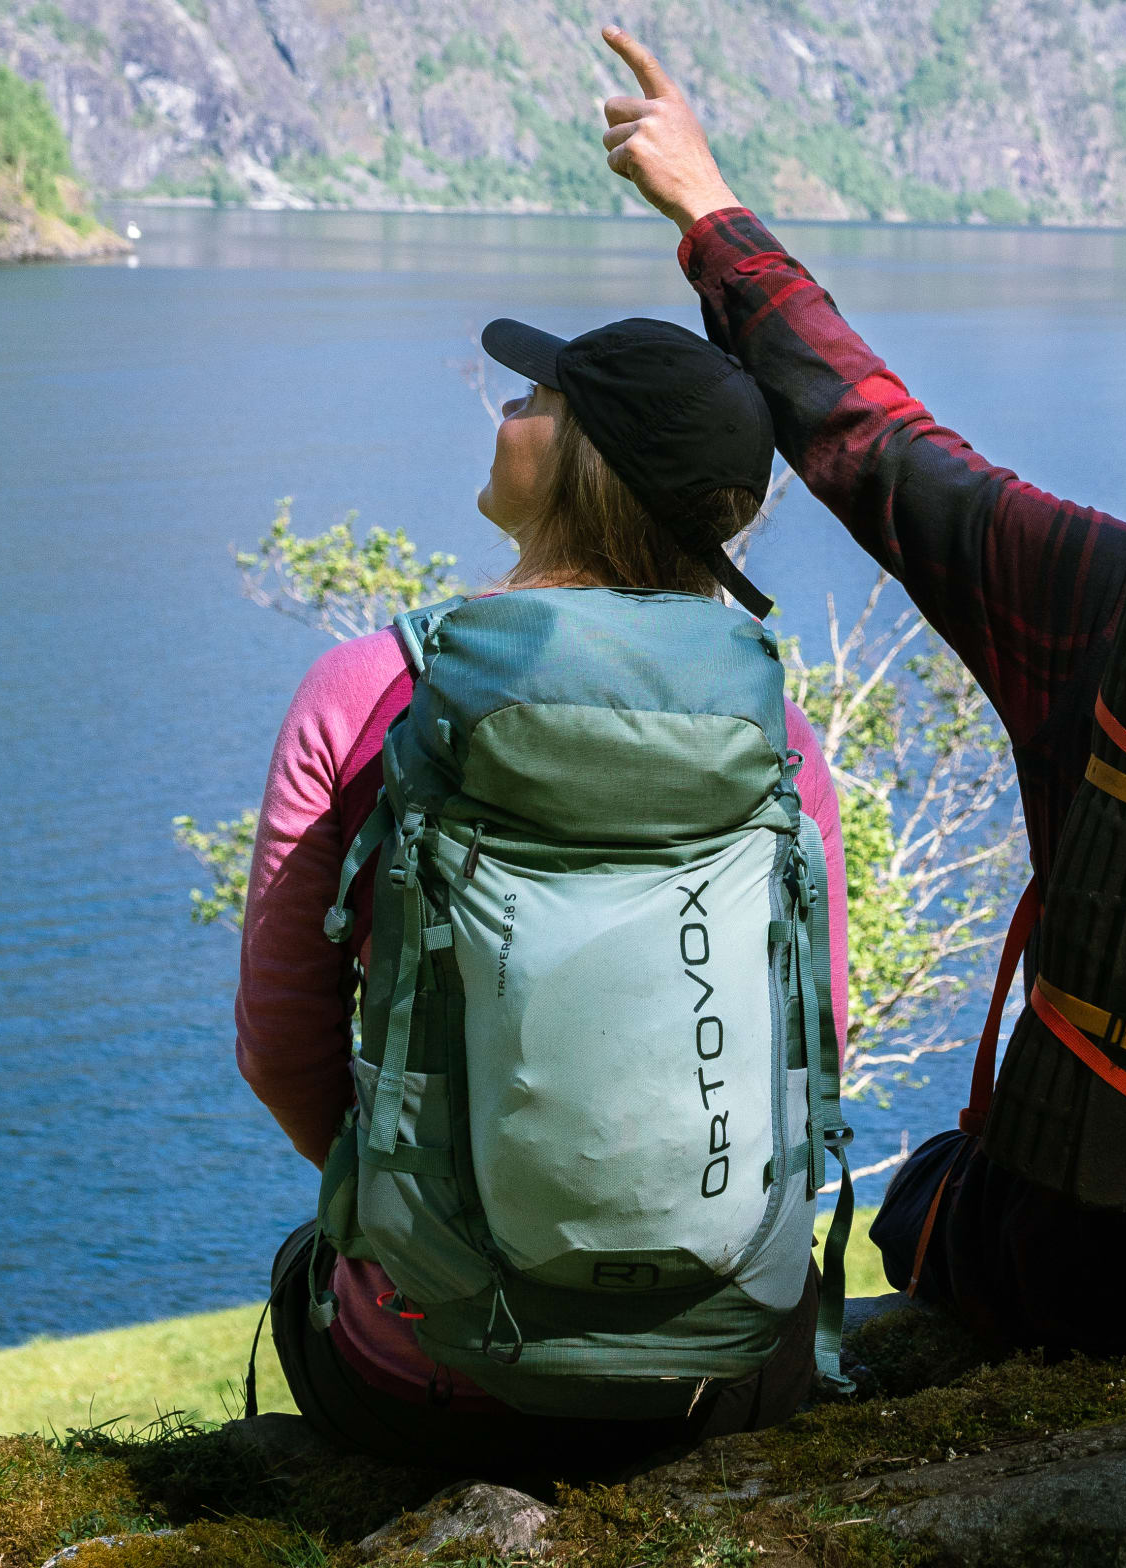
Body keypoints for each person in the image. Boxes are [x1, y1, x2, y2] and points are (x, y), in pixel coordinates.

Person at [587, 25, 1126, 1370]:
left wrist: (709, 211)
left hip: (1117, 1270)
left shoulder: (1122, 605)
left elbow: (873, 438)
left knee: (929, 1198)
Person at [235, 315, 852, 1473]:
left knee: (299, 1270)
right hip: (718, 1370)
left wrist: (414, 1212)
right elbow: (822, 1033)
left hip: (429, 1371)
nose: (506, 409)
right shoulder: (776, 731)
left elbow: (280, 1048)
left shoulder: (373, 688)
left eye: (535, 399)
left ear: (583, 457)